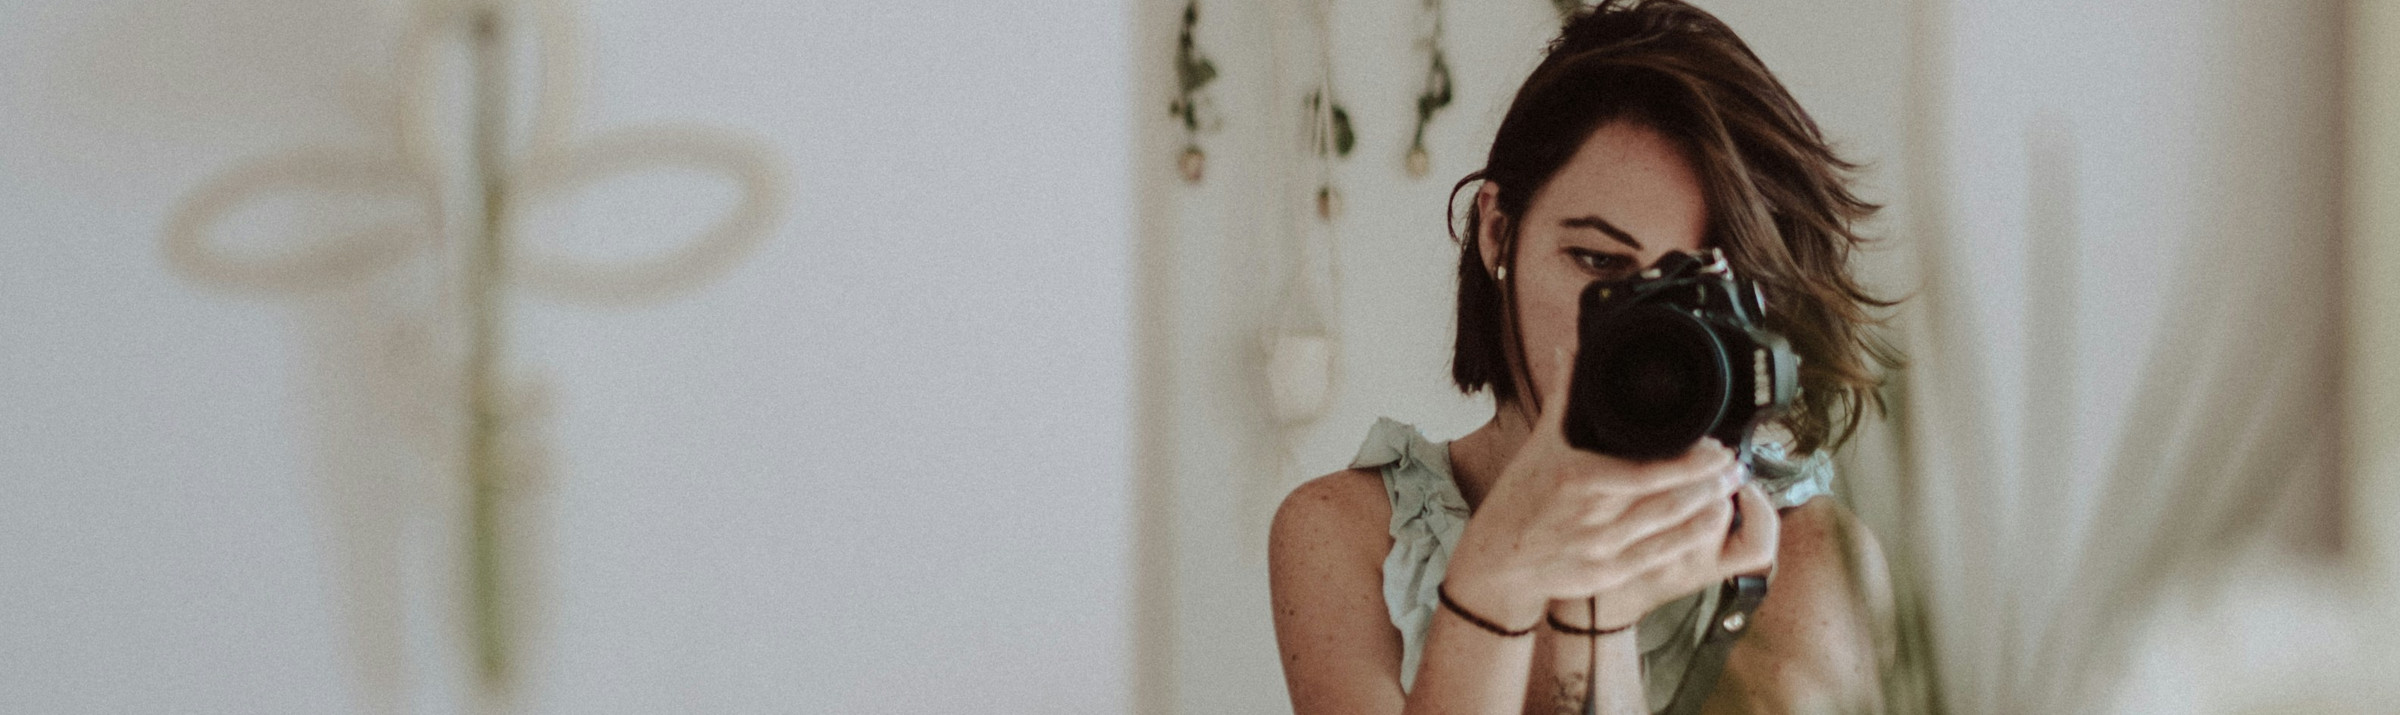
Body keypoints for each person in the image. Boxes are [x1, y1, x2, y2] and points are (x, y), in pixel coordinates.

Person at [1266, 2, 1901, 713]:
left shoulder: (1804, 558)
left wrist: (1598, 602)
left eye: (1694, 288)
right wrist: (1497, 568)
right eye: (1598, 260)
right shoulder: (1347, 533)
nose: (1643, 325)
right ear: (1498, 233)